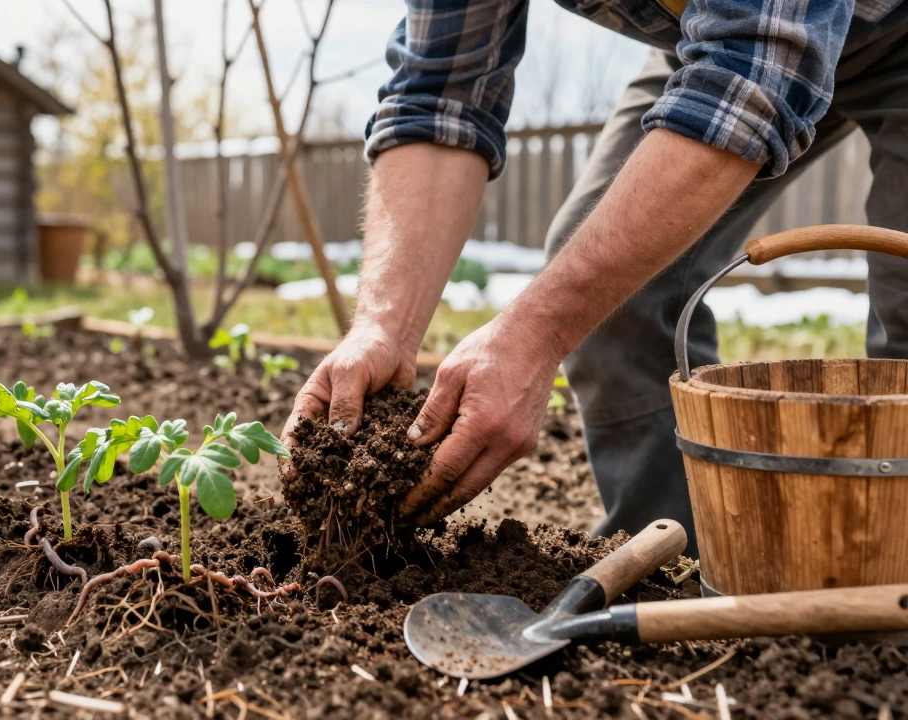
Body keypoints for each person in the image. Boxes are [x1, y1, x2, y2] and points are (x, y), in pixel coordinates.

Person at [282, 0, 908, 557]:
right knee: (615, 290)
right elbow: (437, 94)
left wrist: (535, 331)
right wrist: (381, 327)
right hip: (724, 38)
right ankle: (684, 566)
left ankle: (885, 614)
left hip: (863, 34)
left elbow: (760, 67)